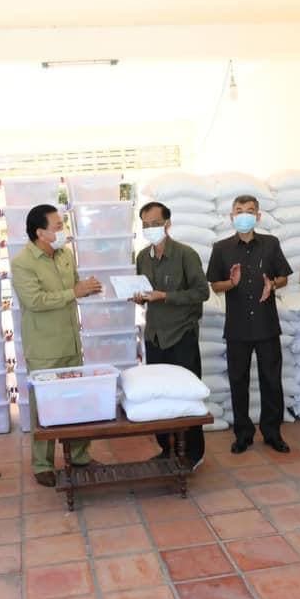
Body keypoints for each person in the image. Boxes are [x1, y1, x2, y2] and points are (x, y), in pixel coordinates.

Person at [10, 204, 103, 487]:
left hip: (71, 342)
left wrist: (86, 289)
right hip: (44, 348)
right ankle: (43, 464)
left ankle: (80, 456)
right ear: (40, 232)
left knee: (77, 400)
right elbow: (34, 301)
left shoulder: (65, 255)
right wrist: (73, 292)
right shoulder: (22, 262)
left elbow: (73, 289)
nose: (63, 230)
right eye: (58, 226)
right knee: (45, 406)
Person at [207, 195, 292, 454]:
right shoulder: (221, 248)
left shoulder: (270, 244)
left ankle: (272, 433)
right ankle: (243, 434)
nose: (244, 215)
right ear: (232, 216)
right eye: (239, 210)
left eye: (250, 211)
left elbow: (284, 277)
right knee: (238, 381)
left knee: (272, 381)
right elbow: (215, 285)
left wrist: (272, 284)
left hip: (267, 325)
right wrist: (231, 283)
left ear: (258, 216)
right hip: (237, 327)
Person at [133, 201, 211, 469]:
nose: (150, 229)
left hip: (181, 335)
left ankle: (193, 454)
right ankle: (167, 450)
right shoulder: (142, 257)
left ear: (167, 224)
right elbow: (145, 292)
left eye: (155, 224)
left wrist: (166, 296)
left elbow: (202, 292)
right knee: (159, 395)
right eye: (145, 225)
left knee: (186, 396)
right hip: (154, 335)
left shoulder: (185, 255)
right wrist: (139, 297)